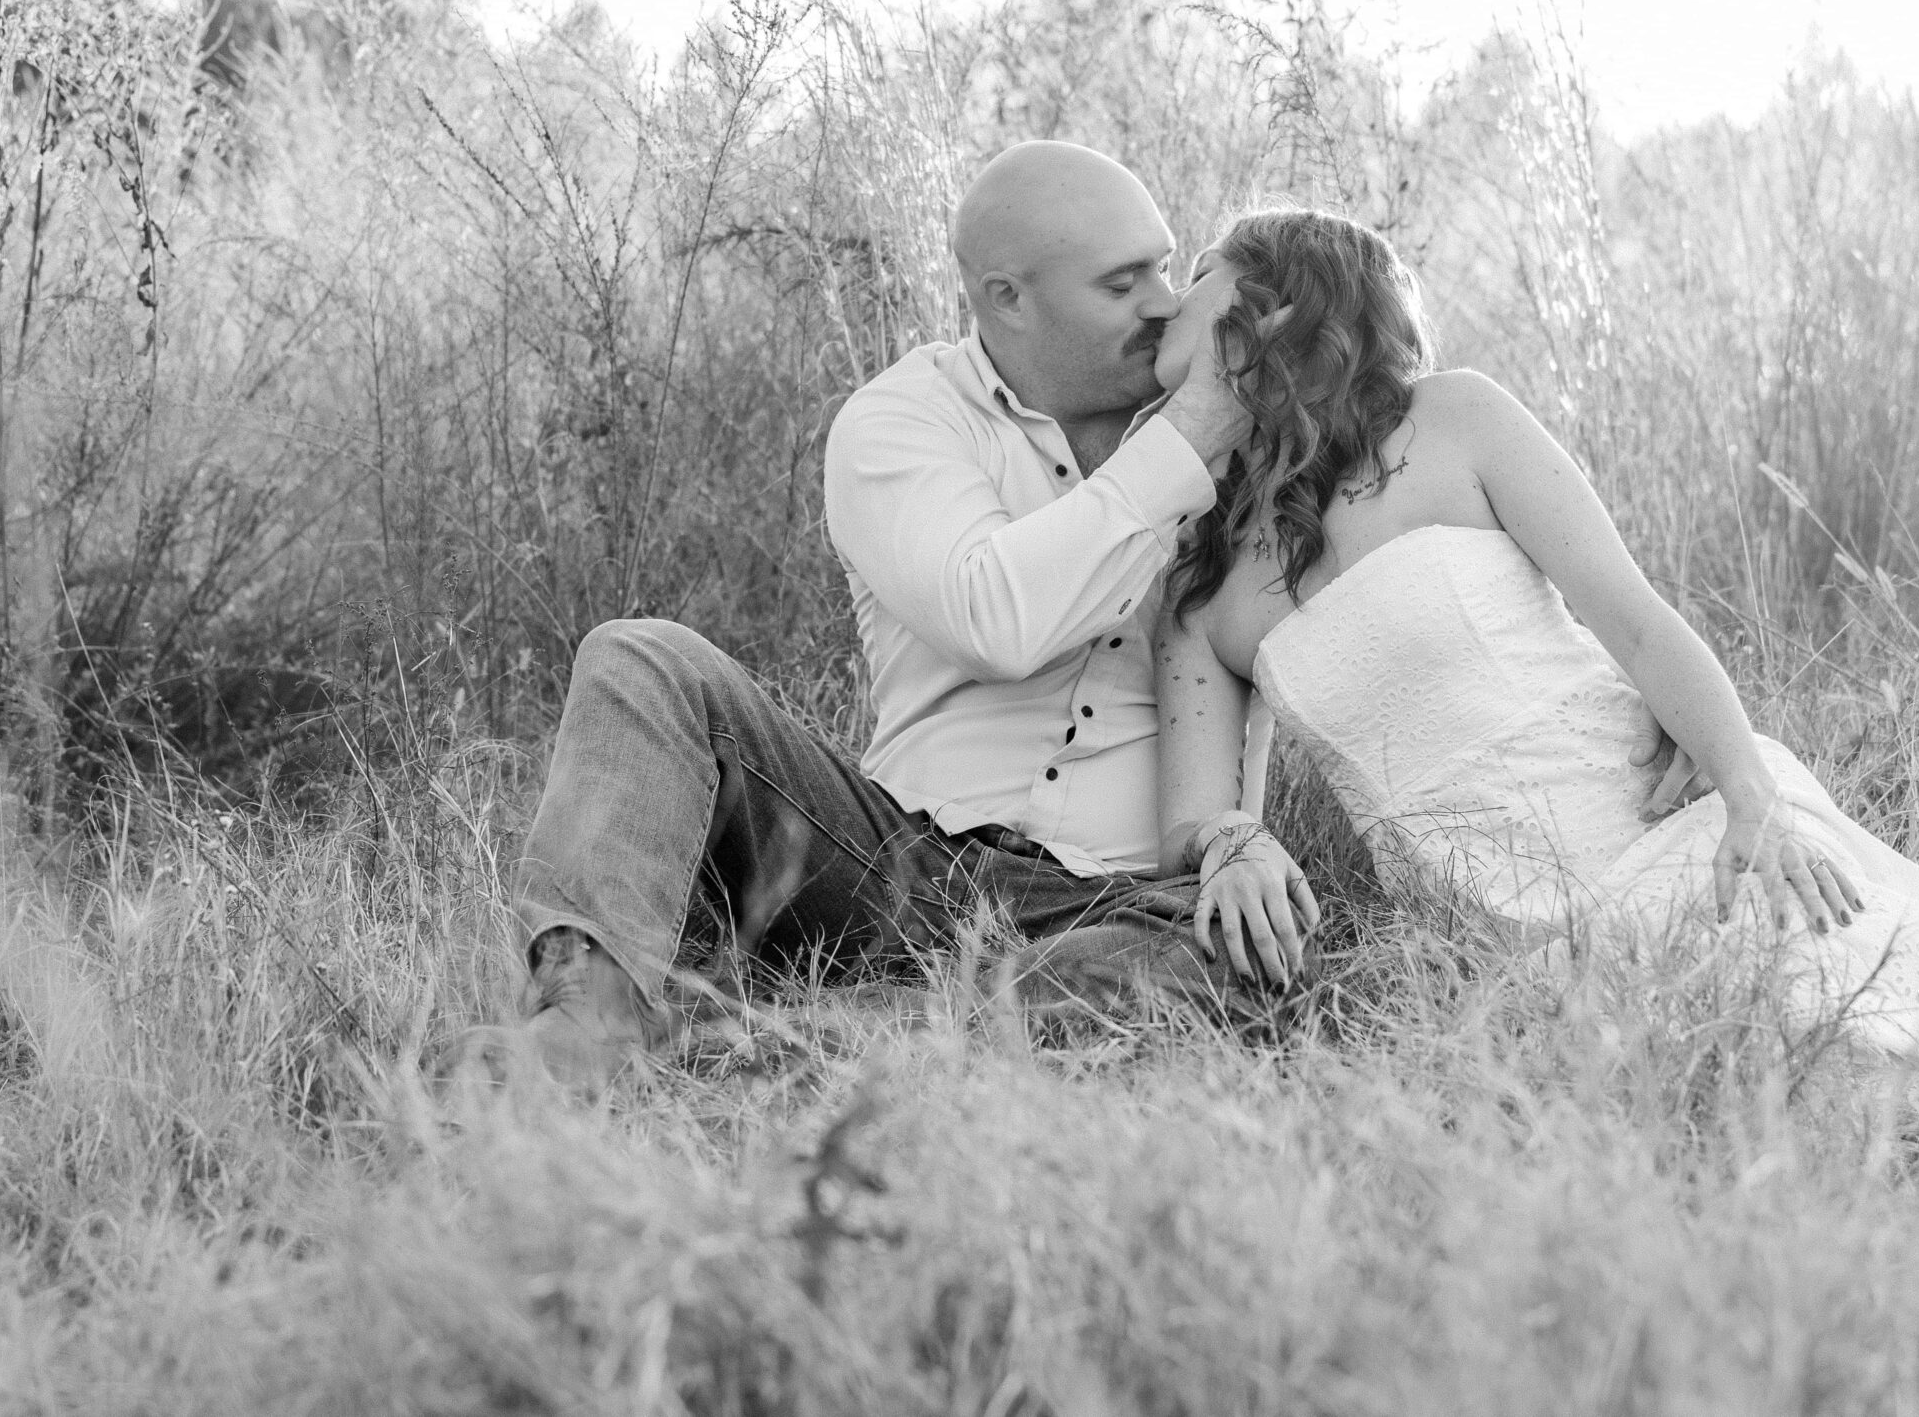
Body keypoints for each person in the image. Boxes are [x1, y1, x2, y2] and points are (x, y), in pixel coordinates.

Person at [1149, 206, 1919, 1136]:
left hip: (1659, 814)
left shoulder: (1455, 422)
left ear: (1276, 306)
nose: (1167, 292)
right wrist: (1234, 844)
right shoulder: (1202, 577)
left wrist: (1745, 789)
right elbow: (1197, 813)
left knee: (1819, 968)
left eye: (1194, 270)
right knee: (1718, 1052)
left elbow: (1637, 623)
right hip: (1501, 929)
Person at [468, 144, 1344, 1084]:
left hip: (1119, 907)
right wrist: (1184, 444)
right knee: (640, 658)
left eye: (1167, 266)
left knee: (1237, 966)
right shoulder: (903, 420)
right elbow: (994, 620)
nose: (1165, 302)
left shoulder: (1254, 444)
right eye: (1123, 282)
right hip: (891, 861)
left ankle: (765, 1031)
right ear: (1007, 298)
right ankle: (587, 1025)